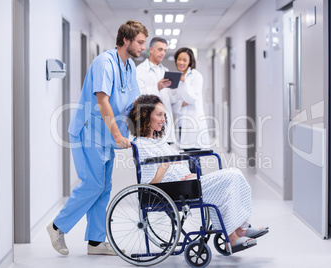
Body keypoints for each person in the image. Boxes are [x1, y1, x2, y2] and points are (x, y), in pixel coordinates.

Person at [46, 20, 148, 256]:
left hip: (107, 136)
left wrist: (141, 130)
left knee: (104, 188)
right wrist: (117, 134)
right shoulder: (105, 62)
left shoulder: (129, 66)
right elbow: (102, 101)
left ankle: (95, 241)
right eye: (140, 42)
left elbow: (133, 102)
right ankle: (57, 226)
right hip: (89, 131)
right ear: (126, 40)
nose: (143, 47)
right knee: (93, 184)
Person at [127, 94, 268, 251]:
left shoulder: (157, 142)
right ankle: (233, 236)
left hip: (187, 182)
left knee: (233, 180)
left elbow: (178, 161)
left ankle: (239, 230)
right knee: (233, 174)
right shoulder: (142, 145)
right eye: (159, 115)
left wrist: (188, 174)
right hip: (175, 190)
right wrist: (165, 165)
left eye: (164, 115)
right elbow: (150, 185)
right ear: (146, 117)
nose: (163, 119)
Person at [136, 37, 175, 143]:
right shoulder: (139, 71)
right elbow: (138, 97)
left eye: (165, 50)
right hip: (149, 123)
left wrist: (174, 90)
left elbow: (170, 99)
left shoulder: (165, 71)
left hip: (165, 123)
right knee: (151, 157)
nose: (163, 53)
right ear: (151, 50)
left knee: (168, 157)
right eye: (160, 49)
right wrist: (157, 87)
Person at [171, 47, 210, 151]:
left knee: (194, 159)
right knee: (184, 159)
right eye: (179, 59)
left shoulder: (196, 76)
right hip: (180, 123)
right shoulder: (176, 77)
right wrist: (181, 103)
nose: (181, 62)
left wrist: (184, 83)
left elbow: (192, 99)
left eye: (185, 60)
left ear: (190, 62)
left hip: (193, 123)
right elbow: (173, 102)